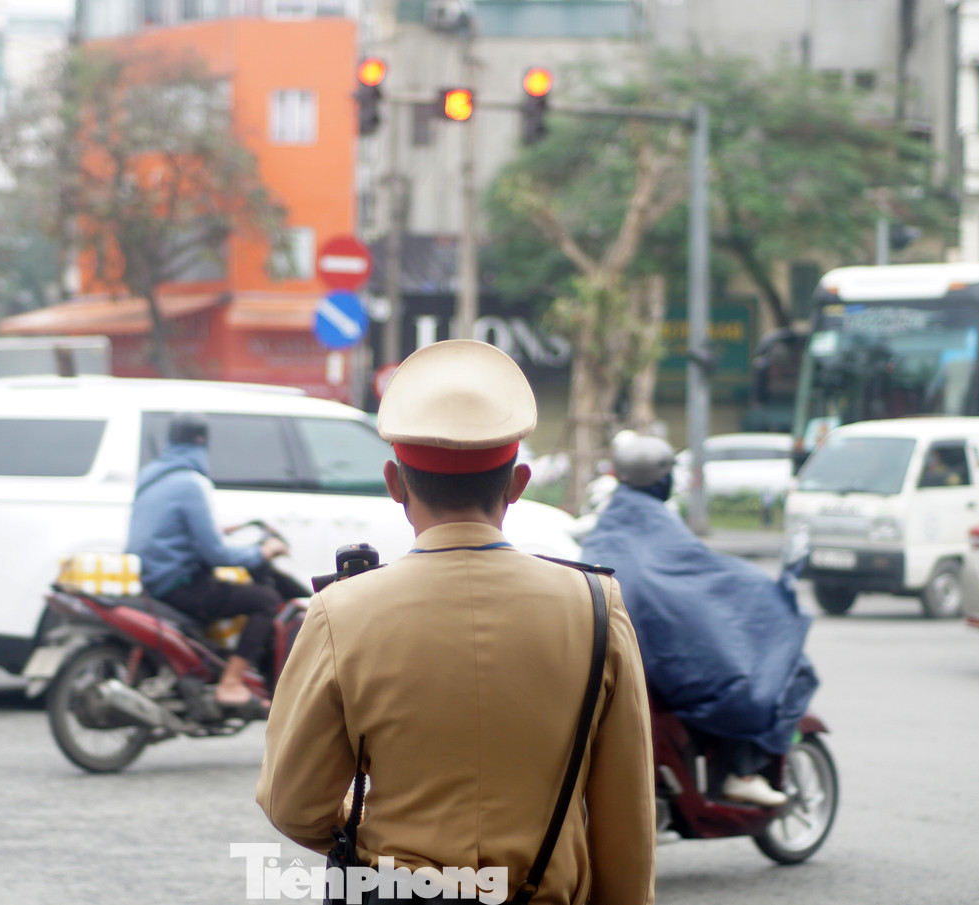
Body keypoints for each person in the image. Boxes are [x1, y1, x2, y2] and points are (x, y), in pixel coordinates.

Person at [257, 340, 656, 905]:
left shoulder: (340, 612)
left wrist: (364, 825)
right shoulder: (595, 605)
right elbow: (627, 826)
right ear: (517, 484)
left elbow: (292, 803)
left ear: (396, 483)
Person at [581, 435, 819, 808]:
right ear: (662, 480)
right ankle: (739, 771)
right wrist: (758, 587)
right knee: (751, 679)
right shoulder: (656, 521)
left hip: (615, 648)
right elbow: (701, 577)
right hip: (657, 652)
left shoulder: (609, 523)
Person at [125, 413, 288, 714]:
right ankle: (231, 682)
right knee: (266, 599)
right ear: (202, 444)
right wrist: (262, 553)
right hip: (182, 586)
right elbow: (216, 555)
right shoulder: (191, 483)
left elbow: (173, 530)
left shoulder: (152, 475)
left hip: (153, 582)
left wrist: (224, 530)